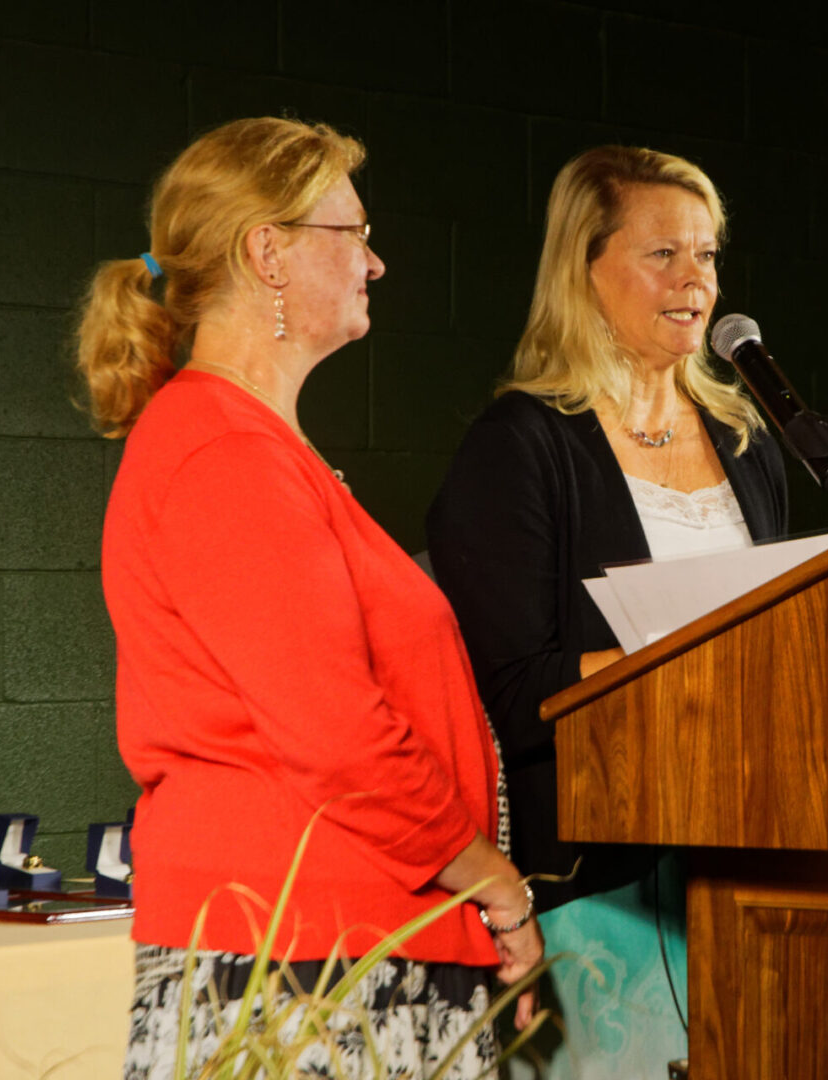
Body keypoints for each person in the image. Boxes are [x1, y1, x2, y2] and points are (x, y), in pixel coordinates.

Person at [77, 116, 542, 1079]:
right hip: (305, 960)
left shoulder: (254, 446)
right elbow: (336, 733)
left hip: (341, 943)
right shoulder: (223, 451)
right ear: (268, 252)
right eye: (355, 234)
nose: (374, 263)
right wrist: (493, 881)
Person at [426, 146, 788, 1077]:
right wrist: (683, 678)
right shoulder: (521, 447)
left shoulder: (750, 442)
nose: (695, 281)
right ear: (583, 271)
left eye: (707, 256)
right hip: (599, 880)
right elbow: (509, 690)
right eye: (663, 254)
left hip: (748, 859)